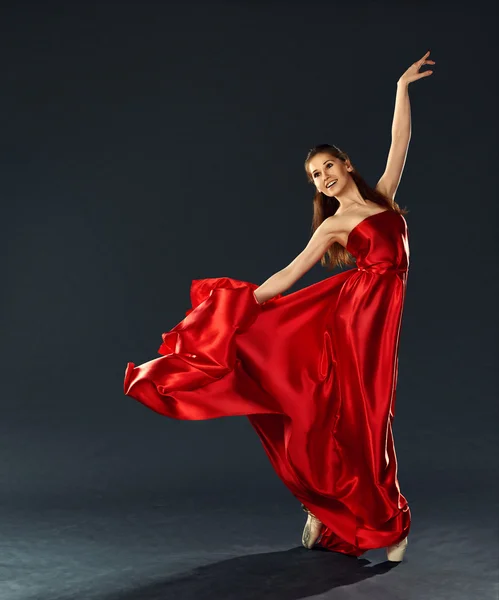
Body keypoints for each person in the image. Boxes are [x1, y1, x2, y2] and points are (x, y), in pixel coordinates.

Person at [124, 51, 435, 562]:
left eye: (327, 167)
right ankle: (366, 518)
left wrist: (402, 86)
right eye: (314, 176)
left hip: (382, 326)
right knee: (352, 420)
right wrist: (235, 303)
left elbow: (400, 141)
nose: (323, 179)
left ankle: (355, 513)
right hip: (351, 324)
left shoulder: (381, 198)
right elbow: (289, 276)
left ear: (346, 164)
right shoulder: (333, 226)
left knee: (374, 421)